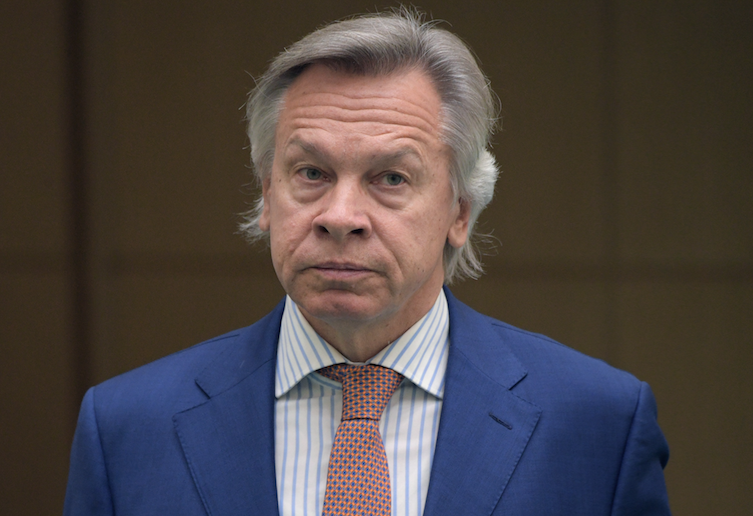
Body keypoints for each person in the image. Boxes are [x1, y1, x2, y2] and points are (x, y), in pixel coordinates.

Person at [64, 8, 671, 516]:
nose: (340, 215)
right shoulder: (127, 429)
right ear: (267, 195)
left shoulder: (598, 425)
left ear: (460, 212)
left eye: (390, 178)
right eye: (311, 172)